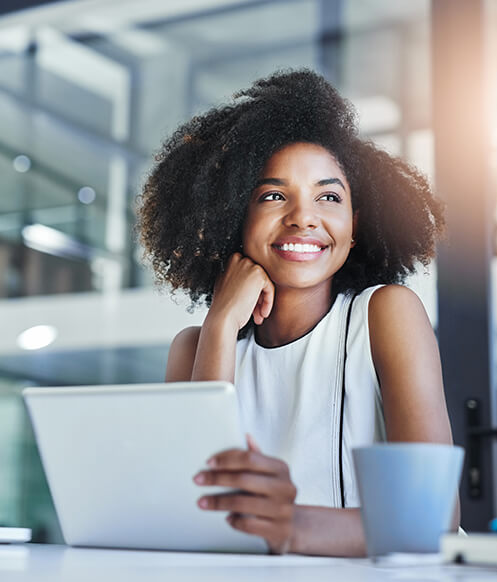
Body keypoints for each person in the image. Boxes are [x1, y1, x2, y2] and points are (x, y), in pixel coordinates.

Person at [137, 68, 457, 556]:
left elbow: (431, 517)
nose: (304, 217)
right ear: (233, 217)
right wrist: (221, 325)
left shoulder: (384, 315)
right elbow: (194, 515)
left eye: (329, 196)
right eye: (272, 195)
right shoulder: (194, 348)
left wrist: (291, 527)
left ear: (354, 225)